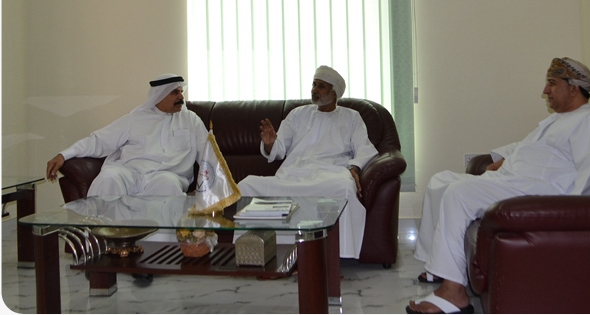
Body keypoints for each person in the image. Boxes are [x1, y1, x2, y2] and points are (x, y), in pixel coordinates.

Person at [407, 58, 590, 314]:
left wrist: (569, 216)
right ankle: (437, 266)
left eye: (552, 83)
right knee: (440, 181)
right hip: (511, 181)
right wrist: (501, 159)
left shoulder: (589, 120)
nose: (545, 90)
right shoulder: (560, 119)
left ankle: (454, 292)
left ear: (573, 88)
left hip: (535, 191)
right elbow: (528, 147)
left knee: (458, 194)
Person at [237, 65, 379, 259]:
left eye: (321, 86)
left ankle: (339, 256)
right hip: (293, 174)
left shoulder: (351, 117)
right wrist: (270, 143)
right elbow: (279, 149)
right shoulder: (298, 114)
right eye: (314, 84)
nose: (314, 90)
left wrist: (354, 168)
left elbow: (364, 147)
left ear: (334, 93)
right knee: (246, 185)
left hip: (330, 175)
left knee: (345, 189)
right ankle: (251, 251)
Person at [46, 74, 209, 198]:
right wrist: (63, 155)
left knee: (168, 185)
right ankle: (101, 233)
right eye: (175, 92)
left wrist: (210, 188)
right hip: (130, 173)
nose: (181, 97)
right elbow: (99, 141)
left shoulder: (190, 120)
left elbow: (207, 153)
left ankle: (161, 236)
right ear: (159, 95)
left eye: (181, 92)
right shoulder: (135, 119)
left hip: (165, 175)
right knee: (109, 178)